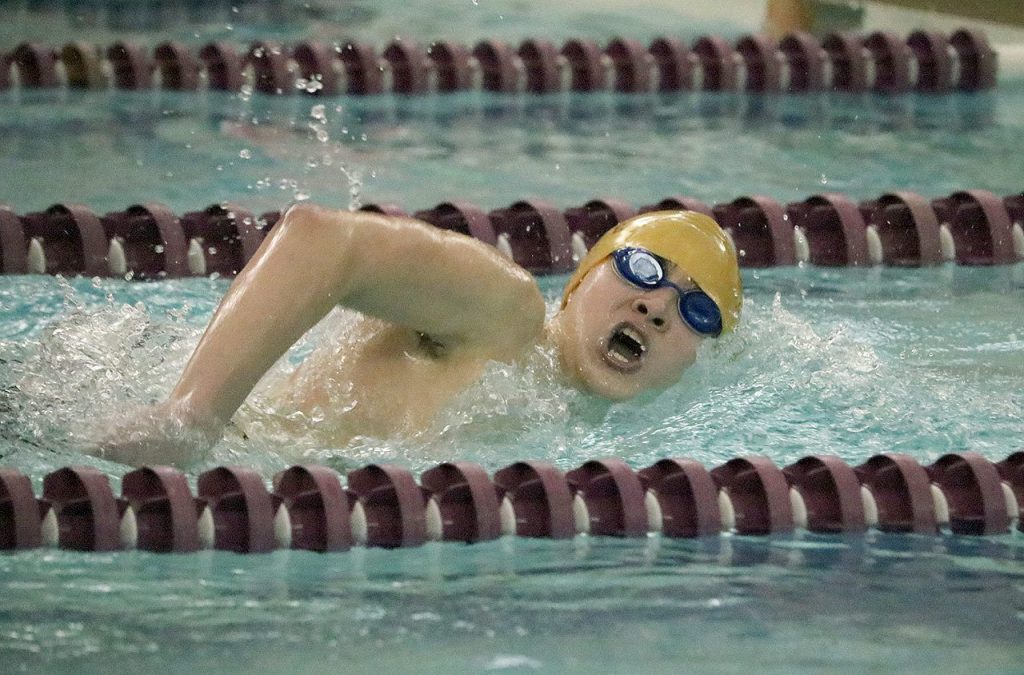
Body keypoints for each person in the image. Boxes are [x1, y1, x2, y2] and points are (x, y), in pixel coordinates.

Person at [98, 204, 742, 466]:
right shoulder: (505, 316)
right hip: (176, 453)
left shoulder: (593, 434)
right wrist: (190, 417)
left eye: (697, 311)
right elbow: (323, 239)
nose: (659, 306)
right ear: (578, 282)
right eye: (642, 268)